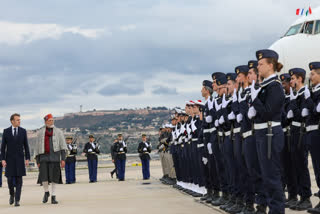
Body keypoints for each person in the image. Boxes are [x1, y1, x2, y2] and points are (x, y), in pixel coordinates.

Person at [250, 49, 285, 213]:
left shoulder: (275, 86)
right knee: (265, 176)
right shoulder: (264, 86)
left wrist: (255, 100)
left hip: (270, 134)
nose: (258, 67)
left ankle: (277, 210)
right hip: (262, 134)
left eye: (261, 64)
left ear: (270, 65)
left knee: (272, 177)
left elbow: (268, 112)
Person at [287, 68, 312, 210]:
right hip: (294, 131)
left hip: (301, 131)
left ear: (300, 79)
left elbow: (301, 115)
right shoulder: (295, 94)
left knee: (302, 166)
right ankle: (299, 196)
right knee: (295, 165)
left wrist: (293, 105)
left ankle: (306, 197)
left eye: (293, 79)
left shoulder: (304, 93)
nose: (291, 81)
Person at [34, 113, 67, 204]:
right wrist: (37, 159)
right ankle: (46, 192)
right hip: (43, 157)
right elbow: (37, 147)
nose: (51, 122)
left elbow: (63, 146)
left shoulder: (59, 132)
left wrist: (63, 159)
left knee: (54, 178)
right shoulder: (40, 132)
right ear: (45, 122)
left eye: (52, 120)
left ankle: (53, 196)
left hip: (55, 157)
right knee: (44, 177)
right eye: (49, 120)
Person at [1, 113, 30, 207]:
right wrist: (2, 159)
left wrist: (27, 158)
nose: (19, 121)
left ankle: (17, 199)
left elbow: (26, 146)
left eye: (19, 119)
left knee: (19, 180)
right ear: (12, 121)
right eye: (17, 120)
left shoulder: (23, 131)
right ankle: (12, 194)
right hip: (9, 159)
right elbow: (3, 147)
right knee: (9, 179)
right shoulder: (6, 131)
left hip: (20, 159)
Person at [303, 62, 320, 214]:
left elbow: (316, 112)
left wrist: (308, 101)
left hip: (318, 133)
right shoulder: (313, 91)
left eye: (313, 74)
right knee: (316, 167)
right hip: (311, 133)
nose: (310, 76)